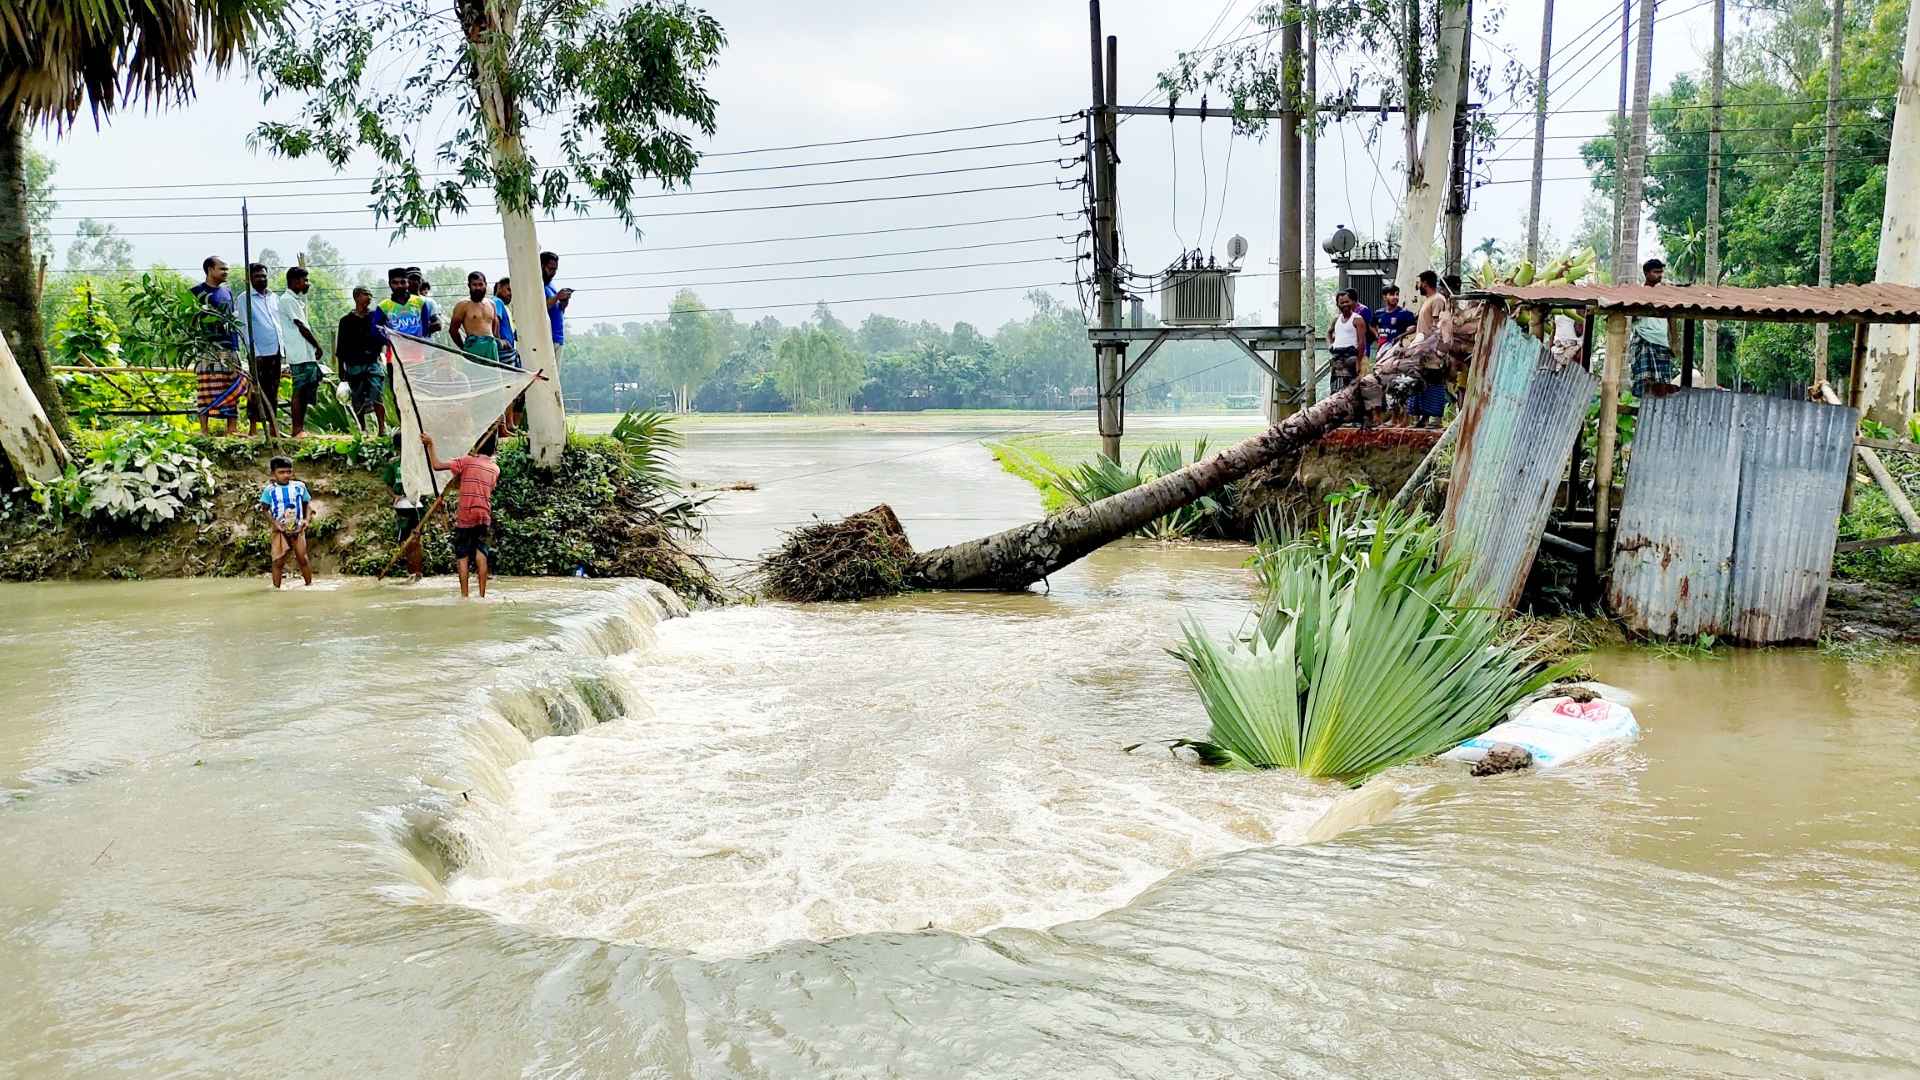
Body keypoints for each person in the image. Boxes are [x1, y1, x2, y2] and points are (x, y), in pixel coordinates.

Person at [421, 431, 500, 599]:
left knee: (462, 556)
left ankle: (465, 596)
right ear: (493, 450)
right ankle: (482, 595)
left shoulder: (466, 461)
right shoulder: (495, 469)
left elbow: (436, 465)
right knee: (481, 554)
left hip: (466, 515)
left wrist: (430, 444)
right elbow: (486, 487)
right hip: (484, 514)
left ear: (476, 445)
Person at [190, 256, 244, 436]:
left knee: (231, 385)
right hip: (208, 348)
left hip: (229, 346)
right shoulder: (196, 292)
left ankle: (232, 429)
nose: (226, 272)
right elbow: (191, 320)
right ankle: (204, 430)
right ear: (210, 270)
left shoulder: (227, 292)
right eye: (222, 269)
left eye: (226, 269)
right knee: (207, 386)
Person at [337, 287, 389, 435]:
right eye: (366, 294)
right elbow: (341, 348)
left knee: (377, 394)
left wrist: (382, 353)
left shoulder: (375, 317)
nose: (369, 297)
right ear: (356, 297)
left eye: (371, 295)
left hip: (373, 362)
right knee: (357, 397)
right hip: (354, 365)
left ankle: (381, 428)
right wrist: (342, 371)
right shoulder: (346, 321)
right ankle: (363, 428)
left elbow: (384, 338)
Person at [280, 266, 325, 437]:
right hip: (299, 353)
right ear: (294, 281)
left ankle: (300, 429)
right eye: (304, 280)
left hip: (305, 353)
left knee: (306, 390)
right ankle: (296, 429)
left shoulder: (295, 300)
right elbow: (301, 327)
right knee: (299, 390)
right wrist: (318, 345)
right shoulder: (287, 300)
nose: (307, 284)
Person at [242, 262, 284, 437]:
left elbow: (278, 323)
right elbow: (245, 326)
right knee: (255, 390)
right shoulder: (244, 299)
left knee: (273, 390)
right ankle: (253, 428)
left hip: (275, 350)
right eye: (258, 276)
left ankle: (273, 427)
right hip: (258, 353)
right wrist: (254, 353)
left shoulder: (274, 297)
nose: (262, 279)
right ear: (250, 278)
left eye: (264, 276)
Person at [258, 455, 313, 588]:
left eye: (289, 472)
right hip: (280, 530)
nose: (286, 475)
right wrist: (275, 524)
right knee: (278, 561)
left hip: (297, 529)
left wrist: (306, 520)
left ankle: (309, 586)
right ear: (273, 474)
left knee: (302, 558)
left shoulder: (299, 486)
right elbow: (264, 509)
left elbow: (307, 504)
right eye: (281, 472)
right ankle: (276, 589)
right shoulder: (269, 490)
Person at [1630, 258, 1682, 397]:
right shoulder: (1638, 293)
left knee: (1663, 382)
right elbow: (1631, 318)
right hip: (1643, 339)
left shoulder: (1665, 293)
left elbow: (1672, 317)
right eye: (1656, 272)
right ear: (1646, 273)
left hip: (1661, 341)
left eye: (1661, 272)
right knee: (1644, 380)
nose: (1659, 275)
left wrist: (1675, 342)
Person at [384, 432, 424, 582]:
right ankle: (411, 571)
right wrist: (394, 496)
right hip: (402, 507)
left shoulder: (416, 462)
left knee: (416, 539)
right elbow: (387, 484)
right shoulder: (393, 463)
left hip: (416, 505)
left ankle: (417, 572)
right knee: (405, 540)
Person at [450, 271, 502, 363]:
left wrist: (495, 342)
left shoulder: (491, 304)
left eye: (480, 284)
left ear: (485, 285)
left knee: (494, 376)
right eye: (474, 285)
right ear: (469, 286)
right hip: (473, 348)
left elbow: (495, 326)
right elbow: (453, 330)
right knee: (475, 376)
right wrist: (464, 348)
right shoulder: (462, 305)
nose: (478, 288)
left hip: (491, 347)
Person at [1328, 290, 1367, 403]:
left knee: (1353, 387)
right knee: (1336, 387)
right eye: (1342, 303)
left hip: (1351, 356)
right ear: (1338, 304)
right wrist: (1330, 344)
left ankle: (1356, 415)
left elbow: (1361, 343)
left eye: (1347, 302)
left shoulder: (1357, 319)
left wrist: (1359, 362)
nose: (1345, 305)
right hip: (1337, 357)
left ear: (1352, 303)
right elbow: (1329, 333)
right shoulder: (1336, 320)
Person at [542, 250, 572, 362]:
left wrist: (564, 302)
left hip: (557, 337)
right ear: (541, 266)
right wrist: (557, 297)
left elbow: (558, 310)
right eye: (550, 269)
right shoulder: (537, 285)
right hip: (546, 339)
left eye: (555, 269)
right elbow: (540, 308)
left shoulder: (551, 285)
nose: (553, 273)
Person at [1372, 284, 1417, 348]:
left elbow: (1414, 328)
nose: (1395, 297)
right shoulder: (1378, 313)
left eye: (1397, 294)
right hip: (1381, 349)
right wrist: (1377, 335)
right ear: (1384, 297)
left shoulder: (1405, 313)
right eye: (1392, 294)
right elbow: (1371, 325)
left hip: (1397, 350)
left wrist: (1401, 336)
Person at [492, 277, 519, 368]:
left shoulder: (506, 308)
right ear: (499, 287)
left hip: (507, 350)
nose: (510, 294)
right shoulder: (497, 301)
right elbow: (495, 320)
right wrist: (499, 341)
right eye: (508, 289)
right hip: (503, 352)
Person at [1414, 270, 1450, 337]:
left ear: (1424, 284)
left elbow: (1436, 326)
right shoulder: (1429, 299)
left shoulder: (1437, 299)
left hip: (1428, 344)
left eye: (1419, 283)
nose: (1418, 287)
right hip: (1422, 342)